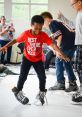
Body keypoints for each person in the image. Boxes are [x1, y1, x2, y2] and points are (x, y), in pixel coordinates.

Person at [0, 15, 69, 105]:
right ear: (31, 25)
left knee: (42, 77)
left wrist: (62, 53)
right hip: (27, 59)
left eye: (40, 29)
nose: (37, 31)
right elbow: (15, 40)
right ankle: (18, 92)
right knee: (23, 76)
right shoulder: (26, 34)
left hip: (38, 59)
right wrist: (6, 46)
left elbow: (53, 45)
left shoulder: (43, 35)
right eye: (35, 28)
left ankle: (41, 94)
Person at [57, 0, 82, 103]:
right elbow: (73, 26)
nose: (72, 6)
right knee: (78, 67)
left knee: (79, 68)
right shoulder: (79, 14)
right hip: (79, 44)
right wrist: (62, 17)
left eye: (73, 4)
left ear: (79, 2)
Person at [48, 20, 78, 92]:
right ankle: (73, 84)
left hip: (66, 44)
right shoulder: (60, 22)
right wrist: (52, 37)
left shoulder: (52, 23)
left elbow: (60, 35)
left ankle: (60, 83)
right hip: (73, 43)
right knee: (67, 62)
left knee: (58, 61)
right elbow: (61, 33)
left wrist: (57, 50)